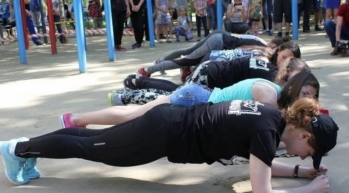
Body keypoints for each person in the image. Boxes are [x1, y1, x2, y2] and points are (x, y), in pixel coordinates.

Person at [0, 97, 339, 193]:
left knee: (92, 142)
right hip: (161, 133)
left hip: (166, 123)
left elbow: (260, 166)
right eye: (310, 153)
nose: (307, 158)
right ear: (305, 134)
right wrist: (308, 192)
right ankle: (18, 148)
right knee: (91, 147)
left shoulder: (270, 117)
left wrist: (297, 174)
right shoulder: (267, 133)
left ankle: (25, 150)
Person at [61, 71, 319, 127]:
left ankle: (76, 120)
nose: (307, 100)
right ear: (294, 87)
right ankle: (76, 120)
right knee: (133, 116)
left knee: (136, 115)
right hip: (196, 99)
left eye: (312, 98)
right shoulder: (269, 96)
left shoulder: (274, 92)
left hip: (198, 97)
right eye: (305, 94)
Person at [117, 56, 310, 106]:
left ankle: (136, 85)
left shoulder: (273, 71)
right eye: (299, 75)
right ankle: (132, 90)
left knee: (176, 93)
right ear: (288, 70)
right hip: (212, 75)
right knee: (174, 95)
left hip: (213, 71)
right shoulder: (273, 79)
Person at [137, 40, 301, 80]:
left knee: (188, 57)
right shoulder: (265, 56)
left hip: (217, 55)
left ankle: (187, 70)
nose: (285, 61)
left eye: (289, 60)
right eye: (284, 57)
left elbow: (239, 50)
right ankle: (147, 71)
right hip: (216, 54)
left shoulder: (265, 49)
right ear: (278, 49)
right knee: (186, 59)